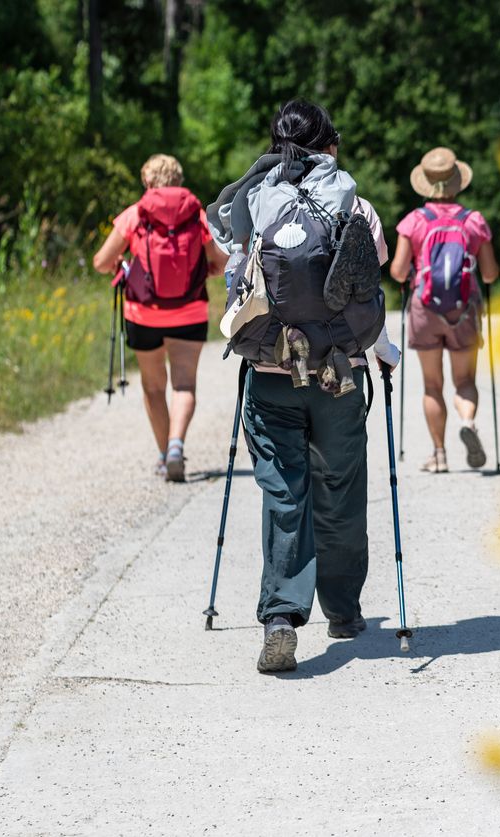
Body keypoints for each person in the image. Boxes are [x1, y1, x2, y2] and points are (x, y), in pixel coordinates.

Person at [207, 100, 400, 673]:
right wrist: (385, 356)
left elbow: (237, 281)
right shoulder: (357, 206)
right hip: (342, 374)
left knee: (285, 493)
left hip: (271, 371)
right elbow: (367, 289)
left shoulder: (253, 204)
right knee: (339, 488)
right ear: (329, 146)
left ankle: (280, 619)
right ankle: (342, 610)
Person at [92, 154, 227, 482]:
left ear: (148, 183)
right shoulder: (197, 215)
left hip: (143, 313)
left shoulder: (136, 214)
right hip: (190, 310)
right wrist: (202, 270)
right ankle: (178, 445)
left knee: (153, 387)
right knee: (183, 384)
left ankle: (165, 456)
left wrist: (121, 263)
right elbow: (221, 262)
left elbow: (101, 261)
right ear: (178, 181)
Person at [389, 146, 500, 474]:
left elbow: (396, 271)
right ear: (457, 182)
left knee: (432, 385)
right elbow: (491, 273)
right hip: (463, 310)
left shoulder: (414, 221)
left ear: (425, 183)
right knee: (464, 379)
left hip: (425, 309)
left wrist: (412, 272)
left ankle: (439, 455)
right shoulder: (473, 221)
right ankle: (468, 421)